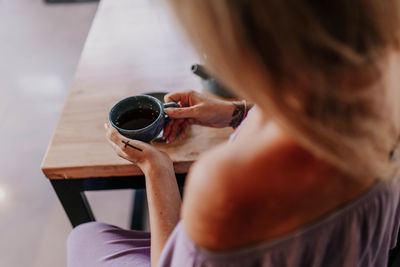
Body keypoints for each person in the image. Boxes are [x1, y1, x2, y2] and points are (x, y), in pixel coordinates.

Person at [67, 1, 400, 267]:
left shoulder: (228, 183)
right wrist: (238, 112)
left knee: (85, 238)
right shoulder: (385, 79)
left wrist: (157, 169)